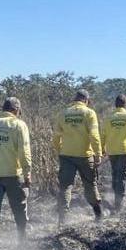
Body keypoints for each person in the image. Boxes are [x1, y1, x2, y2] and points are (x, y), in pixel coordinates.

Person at [0, 97, 31, 250]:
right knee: (19, 209)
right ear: (16, 110)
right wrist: (27, 172)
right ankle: (22, 241)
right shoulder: (18, 124)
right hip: (13, 174)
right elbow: (25, 152)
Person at [54, 90, 104, 224]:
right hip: (84, 155)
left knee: (65, 187)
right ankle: (98, 214)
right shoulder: (89, 113)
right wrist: (98, 154)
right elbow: (94, 135)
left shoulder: (63, 113)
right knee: (90, 184)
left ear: (74, 99)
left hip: (66, 155)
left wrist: (60, 150)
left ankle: (62, 221)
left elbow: (56, 136)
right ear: (86, 100)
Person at [100, 94, 126, 212]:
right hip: (125, 150)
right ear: (125, 104)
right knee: (122, 176)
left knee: (115, 174)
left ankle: (116, 199)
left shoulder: (109, 118)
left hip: (112, 151)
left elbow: (103, 135)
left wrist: (102, 149)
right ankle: (119, 204)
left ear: (115, 104)